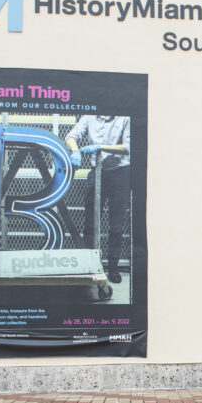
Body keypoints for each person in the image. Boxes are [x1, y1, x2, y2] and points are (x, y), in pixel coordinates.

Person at [66, 115, 131, 284]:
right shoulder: (89, 117)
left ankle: (113, 268)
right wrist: (74, 150)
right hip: (97, 172)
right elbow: (71, 136)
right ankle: (90, 266)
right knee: (90, 224)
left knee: (116, 225)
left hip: (120, 173)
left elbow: (127, 147)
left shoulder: (124, 118)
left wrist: (100, 147)